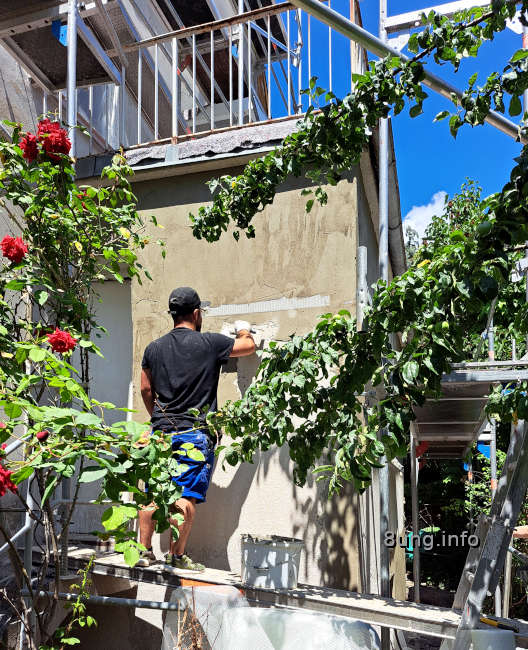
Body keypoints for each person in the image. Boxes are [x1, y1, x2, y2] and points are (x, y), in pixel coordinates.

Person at [137, 287, 255, 570]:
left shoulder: (153, 348)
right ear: (197, 313)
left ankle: (143, 552)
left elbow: (145, 387)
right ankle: (176, 557)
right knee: (184, 497)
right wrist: (243, 330)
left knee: (154, 495)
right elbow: (248, 347)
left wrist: (158, 419)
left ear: (173, 315)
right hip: (194, 434)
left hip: (161, 434)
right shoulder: (209, 343)